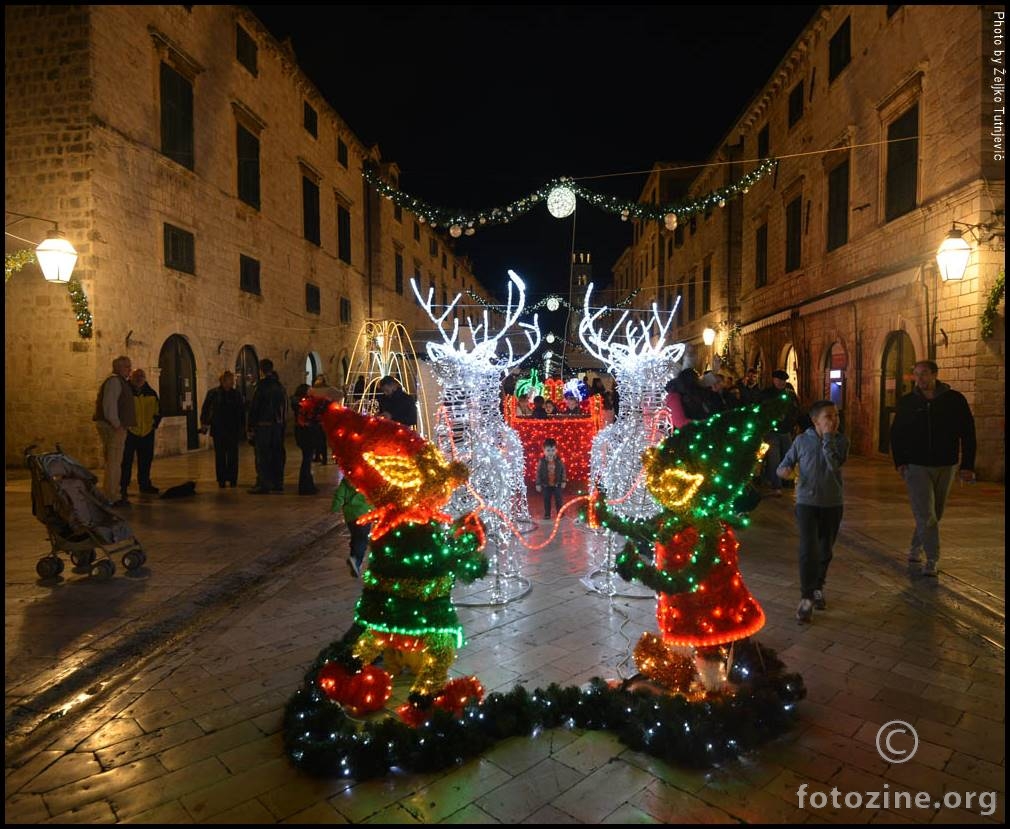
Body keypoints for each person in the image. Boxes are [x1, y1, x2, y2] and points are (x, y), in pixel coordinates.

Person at [889, 360, 976, 578]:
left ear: (935, 375)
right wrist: (900, 461)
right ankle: (932, 559)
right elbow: (897, 433)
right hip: (916, 465)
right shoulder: (908, 402)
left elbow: (968, 433)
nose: (920, 379)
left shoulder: (955, 400)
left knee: (935, 512)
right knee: (926, 514)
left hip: (946, 464)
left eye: (924, 374)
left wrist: (967, 465)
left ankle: (915, 547)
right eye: (917, 374)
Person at [776, 400, 849, 623]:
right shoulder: (801, 441)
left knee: (825, 549)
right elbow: (785, 464)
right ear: (815, 420)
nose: (834, 420)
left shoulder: (841, 441)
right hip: (806, 502)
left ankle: (818, 587)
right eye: (828, 416)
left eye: (835, 415)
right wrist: (784, 470)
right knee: (809, 549)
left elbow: (834, 464)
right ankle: (806, 598)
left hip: (832, 503)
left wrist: (827, 438)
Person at [93, 355, 135, 507]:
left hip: (114, 426)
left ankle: (110, 493)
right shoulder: (114, 381)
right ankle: (112, 496)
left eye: (129, 366)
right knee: (114, 462)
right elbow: (109, 405)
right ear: (118, 368)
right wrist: (117, 424)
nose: (130, 369)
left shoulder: (120, 381)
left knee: (114, 461)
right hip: (113, 427)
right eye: (126, 367)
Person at [247, 358, 287, 494]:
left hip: (263, 426)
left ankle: (264, 484)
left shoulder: (261, 386)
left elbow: (255, 407)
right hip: (277, 425)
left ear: (261, 370)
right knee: (277, 454)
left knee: (262, 455)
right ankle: (277, 482)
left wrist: (250, 426)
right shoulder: (279, 386)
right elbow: (284, 407)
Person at [200, 370, 245, 487]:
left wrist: (242, 427)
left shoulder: (236, 394)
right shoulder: (213, 393)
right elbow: (206, 409)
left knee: (233, 456)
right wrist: (204, 423)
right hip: (218, 428)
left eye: (233, 381)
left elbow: (241, 412)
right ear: (224, 381)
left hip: (232, 429)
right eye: (231, 381)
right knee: (220, 455)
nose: (232, 383)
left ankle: (233, 478)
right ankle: (221, 479)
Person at [120, 368, 161, 498]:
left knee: (146, 461)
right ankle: (123, 486)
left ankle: (145, 485)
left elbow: (158, 411)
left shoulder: (151, 393)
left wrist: (154, 425)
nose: (139, 378)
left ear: (145, 378)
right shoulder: (125, 392)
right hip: (130, 432)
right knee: (126, 461)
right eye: (136, 376)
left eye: (141, 376)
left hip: (147, 432)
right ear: (130, 377)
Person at [759, 370, 800, 495]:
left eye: (783, 380)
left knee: (788, 457)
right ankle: (776, 485)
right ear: (774, 380)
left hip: (786, 430)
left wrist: (794, 423)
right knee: (774, 458)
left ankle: (786, 481)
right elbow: (762, 411)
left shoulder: (790, 394)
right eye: (779, 380)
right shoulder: (766, 394)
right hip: (772, 431)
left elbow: (796, 409)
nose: (781, 382)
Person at [332, 475, 373, 578]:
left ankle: (353, 557)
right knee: (362, 539)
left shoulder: (346, 481)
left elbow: (339, 495)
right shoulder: (369, 480)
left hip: (350, 515)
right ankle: (356, 561)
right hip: (364, 514)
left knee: (355, 536)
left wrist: (335, 507)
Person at [291, 383, 317, 495]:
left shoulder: (299, 403)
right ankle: (305, 486)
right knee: (307, 460)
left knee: (307, 459)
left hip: (303, 433)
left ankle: (308, 484)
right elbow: (305, 420)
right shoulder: (303, 404)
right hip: (305, 434)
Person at [535, 437, 567, 520]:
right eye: (548, 450)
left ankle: (560, 513)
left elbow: (563, 471)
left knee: (558, 499)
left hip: (557, 484)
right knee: (546, 500)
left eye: (553, 450)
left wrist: (563, 481)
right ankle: (547, 514)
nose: (550, 453)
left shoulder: (559, 460)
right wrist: (538, 484)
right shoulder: (542, 462)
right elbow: (538, 473)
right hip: (546, 485)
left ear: (556, 450)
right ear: (544, 450)